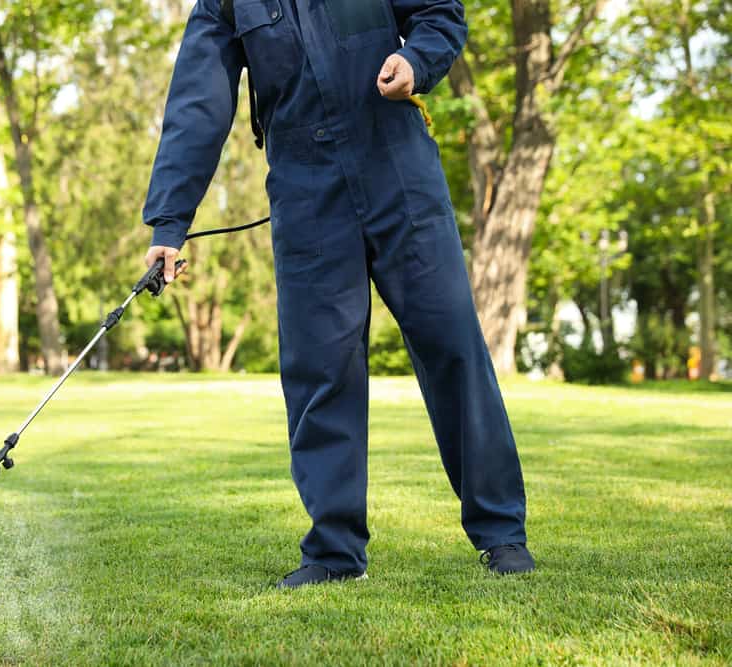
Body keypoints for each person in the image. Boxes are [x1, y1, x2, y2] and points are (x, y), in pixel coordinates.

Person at [141, 0, 534, 588]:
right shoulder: (222, 4)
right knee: (321, 368)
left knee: (451, 345)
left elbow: (439, 14)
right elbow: (197, 106)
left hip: (398, 171)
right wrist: (169, 225)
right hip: (305, 193)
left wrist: (414, 60)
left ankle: (501, 533)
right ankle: (333, 551)